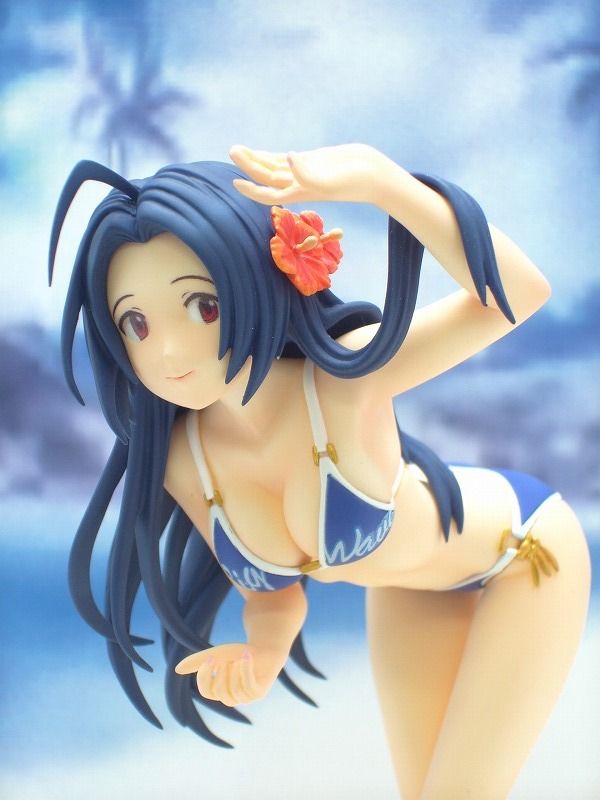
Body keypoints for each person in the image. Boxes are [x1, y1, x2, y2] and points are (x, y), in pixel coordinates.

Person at [50, 144, 590, 798]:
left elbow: (517, 294)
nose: (166, 351)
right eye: (135, 322)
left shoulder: (342, 381)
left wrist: (384, 183)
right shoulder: (183, 461)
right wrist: (262, 651)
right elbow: (272, 592)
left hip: (525, 551)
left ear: (254, 280)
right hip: (413, 590)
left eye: (202, 307)